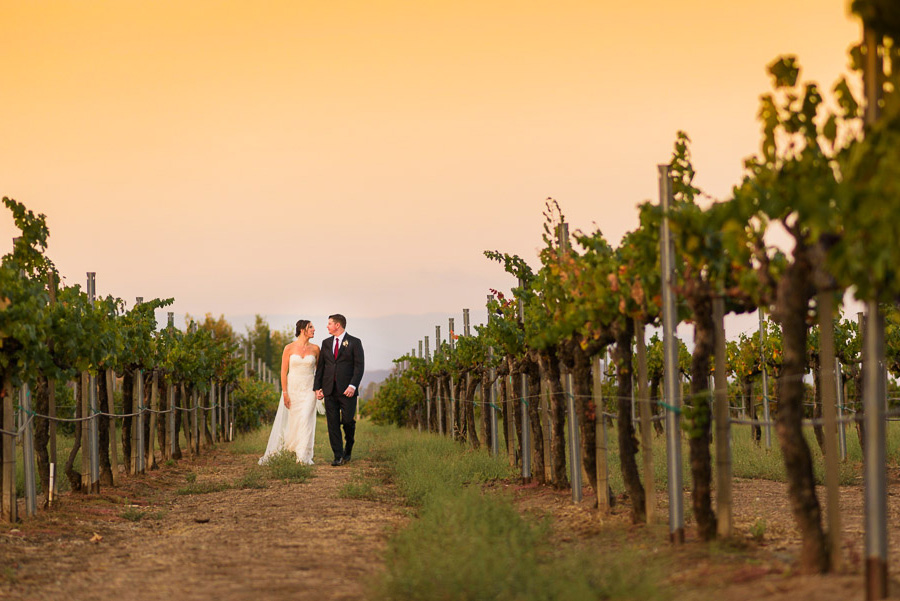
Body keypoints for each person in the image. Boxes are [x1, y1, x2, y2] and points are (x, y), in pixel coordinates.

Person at [259, 319, 321, 465]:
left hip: (309, 389)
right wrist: (285, 393)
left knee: (306, 418)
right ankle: (291, 449)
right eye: (310, 327)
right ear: (302, 330)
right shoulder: (289, 348)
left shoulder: (316, 349)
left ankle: (303, 456)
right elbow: (283, 371)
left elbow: (319, 372)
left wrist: (319, 389)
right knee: (294, 421)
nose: (314, 329)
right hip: (293, 389)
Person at [314, 314, 364, 466]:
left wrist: (353, 385)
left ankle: (349, 446)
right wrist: (318, 388)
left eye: (329, 323)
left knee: (347, 421)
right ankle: (338, 455)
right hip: (329, 389)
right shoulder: (326, 343)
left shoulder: (355, 342)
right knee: (332, 424)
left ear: (338, 325)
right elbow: (321, 367)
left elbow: (359, 366)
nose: (327, 326)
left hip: (347, 390)